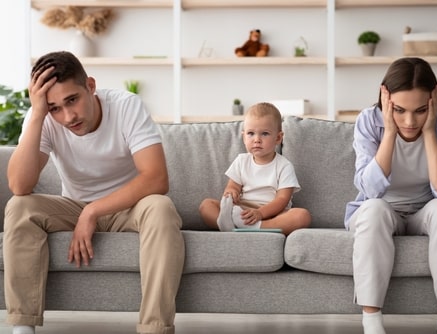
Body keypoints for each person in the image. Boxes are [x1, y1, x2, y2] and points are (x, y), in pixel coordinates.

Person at [3, 51, 185, 334]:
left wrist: (93, 210)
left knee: (160, 207)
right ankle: (23, 327)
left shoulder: (126, 106)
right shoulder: (44, 117)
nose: (68, 116)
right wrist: (38, 113)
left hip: (129, 208)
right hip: (72, 206)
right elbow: (19, 186)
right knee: (19, 206)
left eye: (72, 100)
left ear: (90, 85)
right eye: (55, 108)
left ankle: (155, 329)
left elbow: (156, 178)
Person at [344, 57, 437, 334]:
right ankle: (372, 323)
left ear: (434, 98)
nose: (409, 121)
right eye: (399, 110)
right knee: (375, 206)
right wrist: (389, 133)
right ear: (385, 98)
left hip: (425, 212)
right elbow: (370, 190)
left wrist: (429, 131)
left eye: (421, 110)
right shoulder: (368, 121)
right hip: (380, 211)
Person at [199, 102, 311, 236]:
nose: (257, 139)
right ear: (244, 137)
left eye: (264, 134)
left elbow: (282, 200)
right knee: (206, 205)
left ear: (278, 138)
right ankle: (231, 223)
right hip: (243, 210)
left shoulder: (284, 166)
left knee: (302, 216)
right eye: (251, 133)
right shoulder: (241, 161)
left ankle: (260, 226)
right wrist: (231, 193)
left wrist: (260, 213)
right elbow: (232, 186)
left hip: (273, 213)